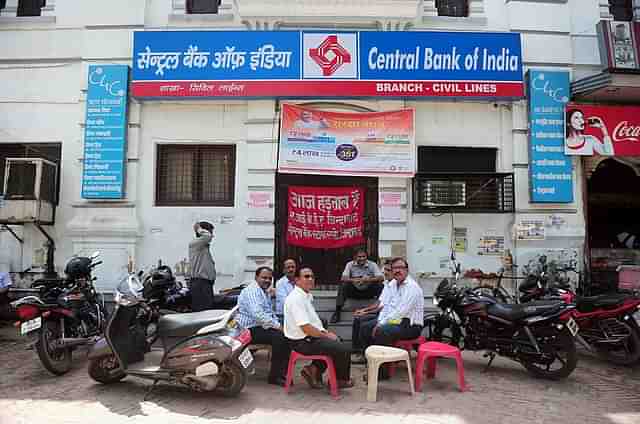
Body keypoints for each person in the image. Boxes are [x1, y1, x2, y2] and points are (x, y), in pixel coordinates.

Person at [284, 266, 354, 389]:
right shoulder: (296, 298)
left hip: (309, 338)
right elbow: (306, 327)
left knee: (338, 341)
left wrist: (326, 333)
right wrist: (326, 335)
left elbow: (313, 322)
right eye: (306, 276)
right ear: (297, 280)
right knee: (343, 349)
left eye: (312, 276)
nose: (310, 279)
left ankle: (313, 369)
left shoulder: (306, 295)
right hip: (301, 342)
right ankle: (340, 380)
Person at [366, 257, 424, 379]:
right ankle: (373, 362)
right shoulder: (393, 284)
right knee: (366, 327)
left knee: (383, 331)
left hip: (411, 325)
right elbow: (386, 307)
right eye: (395, 268)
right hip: (398, 320)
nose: (397, 271)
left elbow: (401, 312)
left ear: (407, 270)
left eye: (401, 268)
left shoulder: (412, 287)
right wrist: (380, 321)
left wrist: (381, 325)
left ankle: (382, 373)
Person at [237, 266, 291, 387]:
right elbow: (258, 315)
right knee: (280, 337)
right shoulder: (252, 291)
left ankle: (283, 372)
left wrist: (279, 325)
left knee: (287, 334)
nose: (267, 280)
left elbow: (267, 314)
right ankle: (275, 376)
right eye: (264, 278)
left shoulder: (262, 291)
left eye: (269, 278)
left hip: (259, 326)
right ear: (256, 277)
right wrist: (278, 326)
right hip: (248, 329)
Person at [350, 260, 394, 364]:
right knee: (358, 318)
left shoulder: (397, 285)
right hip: (381, 313)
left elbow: (382, 308)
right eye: (384, 270)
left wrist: (365, 313)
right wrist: (364, 310)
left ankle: (366, 355)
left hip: (388, 317)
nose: (385, 272)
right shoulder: (387, 284)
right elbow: (379, 303)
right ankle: (357, 350)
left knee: (365, 325)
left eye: (388, 270)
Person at [330, 248, 384, 323]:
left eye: (363, 256)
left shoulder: (372, 264)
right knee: (343, 285)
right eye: (359, 257)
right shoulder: (350, 264)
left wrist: (368, 279)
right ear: (355, 257)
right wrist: (355, 280)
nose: (362, 258)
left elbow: (381, 277)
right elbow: (343, 278)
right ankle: (337, 312)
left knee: (380, 285)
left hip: (368, 291)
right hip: (355, 291)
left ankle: (381, 310)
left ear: (366, 257)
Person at [188, 221, 216, 312]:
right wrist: (199, 229)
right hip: (200, 284)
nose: (212, 235)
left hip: (204, 284)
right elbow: (207, 236)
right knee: (203, 312)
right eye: (211, 232)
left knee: (207, 310)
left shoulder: (202, 246)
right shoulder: (196, 243)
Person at [275, 258, 297, 323]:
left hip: (296, 314)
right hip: (283, 316)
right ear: (284, 270)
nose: (291, 269)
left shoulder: (298, 282)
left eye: (293, 267)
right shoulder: (280, 283)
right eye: (288, 267)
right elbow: (285, 302)